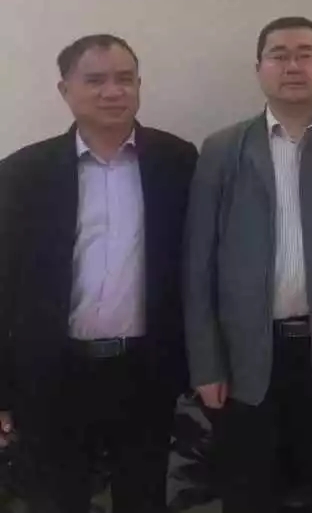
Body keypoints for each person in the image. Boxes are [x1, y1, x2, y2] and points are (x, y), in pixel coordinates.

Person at [0, 35, 197, 513]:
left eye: (125, 79)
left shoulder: (177, 161)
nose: (113, 91)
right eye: (95, 80)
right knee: (57, 500)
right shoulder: (23, 173)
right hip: (53, 375)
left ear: (139, 85)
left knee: (144, 497)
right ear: (64, 89)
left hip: (145, 372)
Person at [183, 17, 312, 513]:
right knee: (249, 493)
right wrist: (206, 363)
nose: (293, 65)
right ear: (258, 67)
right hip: (247, 358)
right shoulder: (223, 149)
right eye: (279, 55)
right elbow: (198, 265)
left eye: (306, 53)